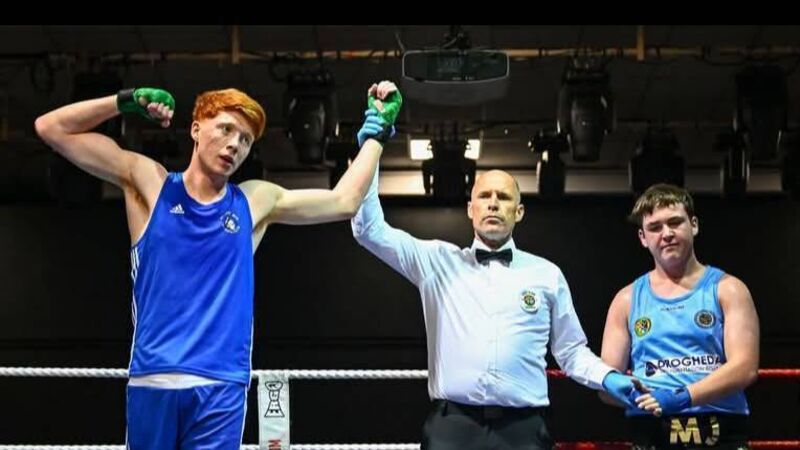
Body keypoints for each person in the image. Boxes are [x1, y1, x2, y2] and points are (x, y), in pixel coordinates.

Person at [34, 81, 401, 450]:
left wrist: (377, 134)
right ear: (196, 128)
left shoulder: (254, 200)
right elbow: (51, 128)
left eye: (244, 140)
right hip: (154, 377)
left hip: (221, 385)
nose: (234, 145)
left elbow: (344, 201)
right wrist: (123, 102)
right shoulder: (150, 183)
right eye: (225, 129)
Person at [349, 121, 640, 449]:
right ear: (470, 209)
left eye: (503, 197)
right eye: (484, 196)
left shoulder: (546, 274)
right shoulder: (436, 262)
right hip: (452, 428)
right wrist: (368, 153)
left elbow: (570, 351)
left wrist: (607, 376)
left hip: (524, 429)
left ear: (519, 211)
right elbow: (369, 231)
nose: (492, 203)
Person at [600, 183, 759, 449]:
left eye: (675, 223)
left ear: (693, 225)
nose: (667, 234)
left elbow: (745, 368)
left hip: (720, 426)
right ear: (642, 237)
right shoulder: (626, 300)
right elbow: (606, 382)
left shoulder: (728, 289)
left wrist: (682, 397)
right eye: (655, 227)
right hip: (651, 427)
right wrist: (624, 389)